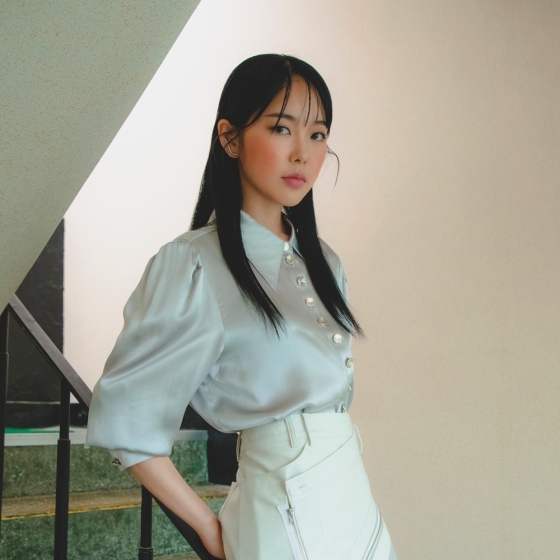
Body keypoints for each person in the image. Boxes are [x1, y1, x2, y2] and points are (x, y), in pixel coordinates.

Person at [85, 53, 398, 560]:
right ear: (230, 138)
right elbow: (127, 419)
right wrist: (207, 527)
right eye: (281, 128)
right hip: (279, 516)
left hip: (357, 508)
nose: (303, 153)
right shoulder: (193, 263)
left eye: (318, 134)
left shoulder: (325, 263)